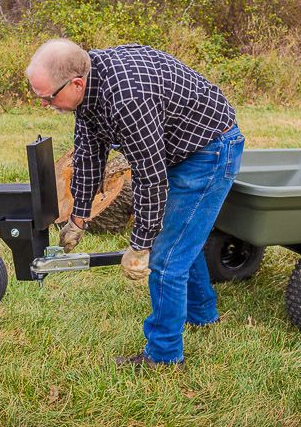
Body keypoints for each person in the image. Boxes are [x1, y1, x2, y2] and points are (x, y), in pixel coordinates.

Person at [25, 39, 244, 369]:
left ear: (76, 83)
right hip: (180, 148)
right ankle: (202, 314)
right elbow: (88, 155)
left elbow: (150, 178)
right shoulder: (89, 86)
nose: (45, 104)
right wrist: (79, 217)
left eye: (48, 97)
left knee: (166, 257)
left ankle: (164, 356)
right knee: (181, 239)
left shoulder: (128, 99)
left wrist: (140, 246)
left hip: (208, 153)